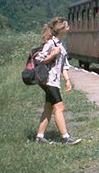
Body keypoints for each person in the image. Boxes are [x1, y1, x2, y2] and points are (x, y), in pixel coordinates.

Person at [35, 17, 81, 145]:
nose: (69, 28)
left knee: (49, 108)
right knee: (59, 107)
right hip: (49, 80)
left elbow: (64, 65)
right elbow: (39, 60)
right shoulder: (51, 44)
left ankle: (40, 137)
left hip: (55, 81)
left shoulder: (61, 44)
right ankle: (65, 137)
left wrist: (67, 80)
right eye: (67, 26)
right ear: (61, 30)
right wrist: (53, 54)